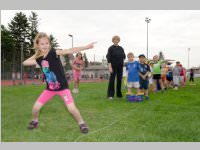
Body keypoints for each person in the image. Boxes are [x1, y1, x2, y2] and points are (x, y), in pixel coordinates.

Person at [23, 32, 96, 133]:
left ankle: (81, 123)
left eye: (47, 43)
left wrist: (86, 47)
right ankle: (35, 120)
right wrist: (36, 55)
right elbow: (25, 62)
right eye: (42, 44)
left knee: (71, 109)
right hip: (49, 89)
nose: (45, 45)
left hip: (63, 88)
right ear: (38, 45)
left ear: (49, 44)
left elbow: (70, 50)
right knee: (35, 108)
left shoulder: (54, 52)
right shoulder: (38, 59)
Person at [106, 35, 126, 99]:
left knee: (119, 80)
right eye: (115, 39)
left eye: (117, 39)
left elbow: (123, 57)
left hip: (120, 66)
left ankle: (119, 95)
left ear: (119, 41)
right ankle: (110, 95)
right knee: (112, 80)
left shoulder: (121, 48)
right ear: (113, 40)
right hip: (113, 66)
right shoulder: (110, 48)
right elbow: (108, 58)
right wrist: (110, 67)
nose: (116, 41)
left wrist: (123, 64)